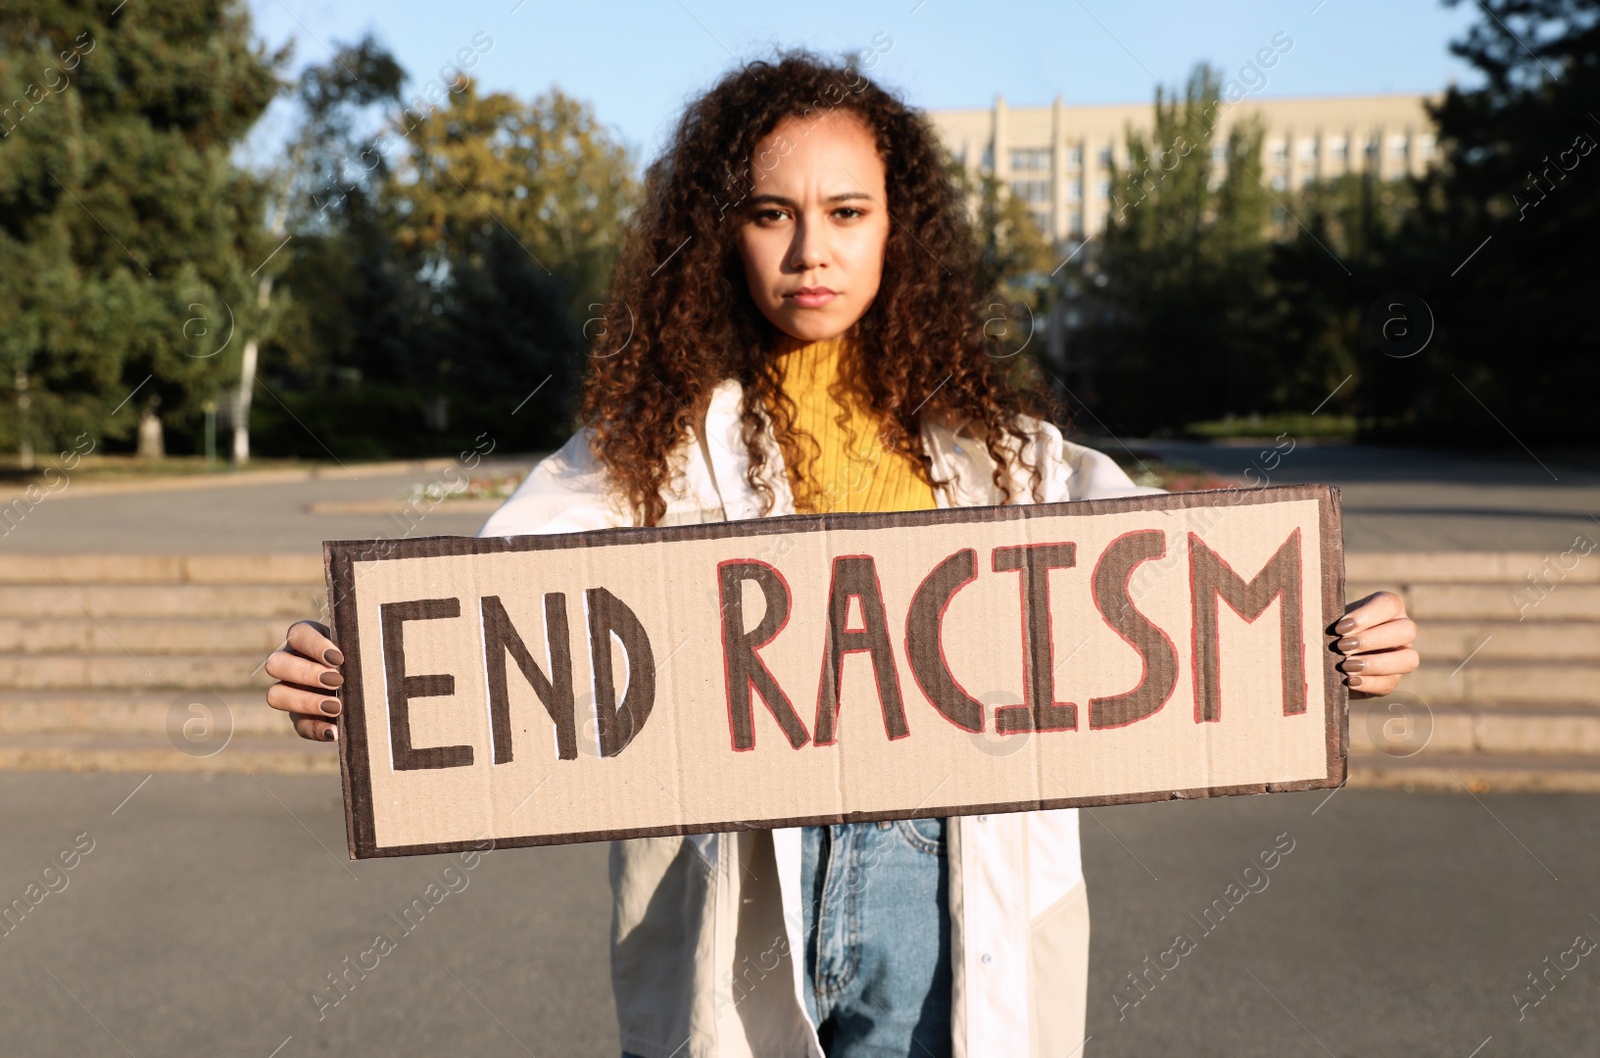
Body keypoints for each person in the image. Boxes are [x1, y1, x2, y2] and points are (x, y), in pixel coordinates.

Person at [265, 51, 1420, 1058]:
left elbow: (1175, 588)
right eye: (770, 212)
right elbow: (497, 612)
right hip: (738, 881)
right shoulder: (643, 448)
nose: (809, 248)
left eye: (847, 212)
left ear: (894, 227)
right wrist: (361, 674)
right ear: (718, 230)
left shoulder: (1007, 454)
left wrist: (1326, 636)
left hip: (942, 877)